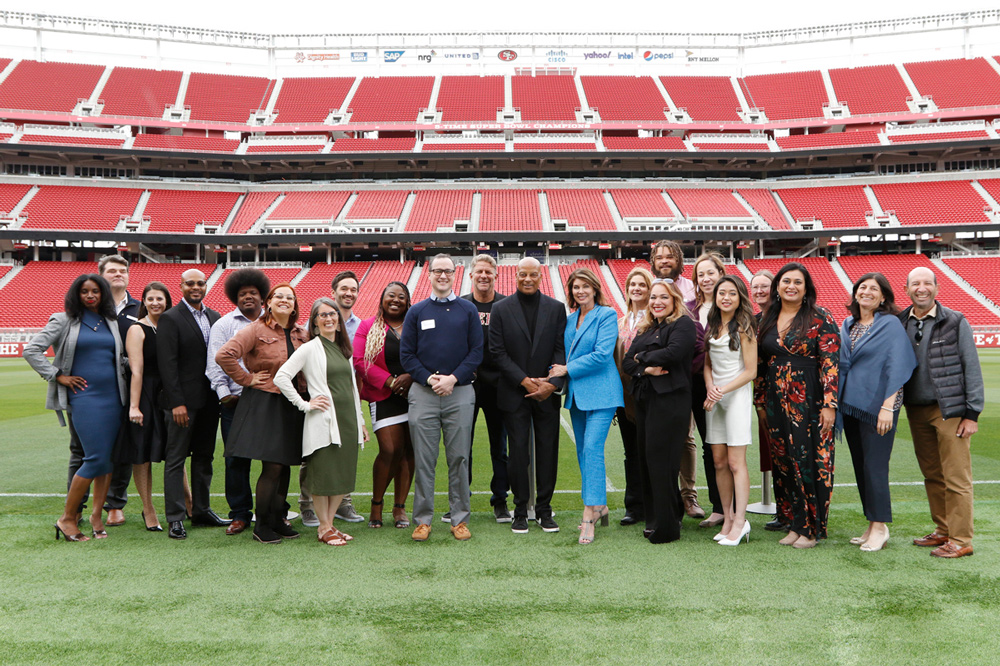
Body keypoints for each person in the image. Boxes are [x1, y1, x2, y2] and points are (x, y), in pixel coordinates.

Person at [24, 274, 127, 541]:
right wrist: (57, 375)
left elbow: (117, 358)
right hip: (85, 398)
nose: (90, 296)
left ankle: (96, 516)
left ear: (103, 294)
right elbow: (32, 350)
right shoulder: (63, 319)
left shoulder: (111, 321)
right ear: (76, 294)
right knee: (94, 458)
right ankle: (67, 518)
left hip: (114, 398)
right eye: (84, 291)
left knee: (107, 461)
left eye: (95, 291)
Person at [900, 267, 984, 559]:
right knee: (932, 474)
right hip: (916, 409)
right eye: (915, 284)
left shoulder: (955, 320)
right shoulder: (900, 321)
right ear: (907, 289)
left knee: (956, 476)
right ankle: (943, 530)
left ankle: (961, 540)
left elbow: (970, 365)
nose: (921, 288)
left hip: (949, 410)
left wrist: (972, 413)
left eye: (927, 283)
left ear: (936, 288)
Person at [217, 283, 309, 544]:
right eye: (278, 296)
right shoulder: (256, 329)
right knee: (273, 466)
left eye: (289, 297)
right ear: (268, 302)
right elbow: (224, 355)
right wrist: (246, 379)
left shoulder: (301, 333)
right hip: (266, 402)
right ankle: (262, 524)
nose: (284, 300)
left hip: (293, 402)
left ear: (294, 304)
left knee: (286, 463)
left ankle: (278, 518)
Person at [756, 262, 839, 549]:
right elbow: (760, 364)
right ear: (777, 286)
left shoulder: (820, 317)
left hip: (810, 398)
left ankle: (811, 529)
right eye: (786, 281)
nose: (791, 286)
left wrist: (830, 404)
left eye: (798, 282)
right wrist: (760, 402)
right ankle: (794, 522)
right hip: (775, 399)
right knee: (783, 460)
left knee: (808, 461)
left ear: (806, 289)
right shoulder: (767, 318)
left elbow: (830, 363)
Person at [400, 254, 483, 542]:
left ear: (455, 274)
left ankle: (459, 519)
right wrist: (429, 378)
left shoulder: (468, 310)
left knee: (459, 457)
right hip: (423, 393)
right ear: (430, 275)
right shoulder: (417, 312)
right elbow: (407, 355)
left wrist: (453, 378)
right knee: (424, 459)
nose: (443, 276)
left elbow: (476, 352)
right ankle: (423, 520)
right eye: (438, 271)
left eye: (448, 271)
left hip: (459, 392)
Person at [276, 298, 368, 546]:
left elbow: (352, 389)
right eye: (322, 315)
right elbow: (281, 377)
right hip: (324, 420)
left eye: (332, 314)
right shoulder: (309, 348)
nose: (328, 318)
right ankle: (324, 527)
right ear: (315, 323)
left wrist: (360, 421)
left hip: (347, 419)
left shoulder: (344, 350)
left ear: (339, 320)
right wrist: (305, 404)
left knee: (343, 474)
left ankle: (329, 525)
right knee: (322, 474)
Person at [838, 273, 916, 552]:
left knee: (875, 467)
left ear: (883, 297)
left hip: (880, 407)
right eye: (862, 287)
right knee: (861, 467)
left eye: (874, 289)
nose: (867, 292)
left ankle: (881, 527)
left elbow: (898, 366)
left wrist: (886, 407)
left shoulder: (890, 324)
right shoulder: (848, 323)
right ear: (855, 293)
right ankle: (871, 523)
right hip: (851, 405)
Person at [490, 257, 567, 535]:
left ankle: (544, 510)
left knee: (548, 451)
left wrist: (552, 383)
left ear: (540, 277)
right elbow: (497, 353)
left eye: (533, 275)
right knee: (518, 453)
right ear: (516, 276)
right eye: (522, 274)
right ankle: (520, 510)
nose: (527, 279)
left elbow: (561, 350)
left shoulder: (556, 309)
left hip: (547, 393)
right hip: (514, 393)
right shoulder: (500, 309)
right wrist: (525, 382)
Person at [548, 268, 622, 545]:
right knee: (583, 452)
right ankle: (600, 504)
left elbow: (603, 355)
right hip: (577, 395)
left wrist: (567, 368)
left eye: (585, 287)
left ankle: (588, 515)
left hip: (603, 393)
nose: (580, 291)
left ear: (594, 289)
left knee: (592, 448)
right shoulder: (569, 320)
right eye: (575, 287)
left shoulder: (607, 314)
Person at [64, 255, 138, 528]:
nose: (118, 274)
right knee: (81, 450)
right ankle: (76, 509)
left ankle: (114, 505)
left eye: (123, 271)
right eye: (112, 271)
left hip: (122, 391)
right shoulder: (82, 314)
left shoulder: (137, 308)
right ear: (100, 276)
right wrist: (58, 375)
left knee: (119, 450)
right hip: (86, 395)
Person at [621, 281, 696, 544]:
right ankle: (658, 518)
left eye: (663, 297)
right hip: (645, 400)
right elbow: (627, 362)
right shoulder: (647, 328)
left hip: (671, 401)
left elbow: (674, 353)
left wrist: (643, 358)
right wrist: (645, 367)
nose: (657, 302)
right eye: (653, 298)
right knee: (647, 460)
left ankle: (667, 527)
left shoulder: (684, 324)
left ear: (674, 299)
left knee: (663, 462)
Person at [157, 268, 228, 540]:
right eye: (190, 283)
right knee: (175, 459)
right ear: (181, 286)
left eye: (200, 283)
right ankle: (175, 517)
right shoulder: (170, 318)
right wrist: (177, 403)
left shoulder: (215, 317)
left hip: (210, 400)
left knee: (204, 457)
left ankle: (201, 510)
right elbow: (168, 364)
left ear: (206, 286)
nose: (195, 287)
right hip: (182, 404)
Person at [205, 268, 270, 536]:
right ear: (235, 297)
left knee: (272, 458)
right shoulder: (224, 324)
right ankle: (240, 514)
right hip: (236, 401)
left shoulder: (273, 322)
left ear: (262, 296)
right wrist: (225, 394)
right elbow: (214, 363)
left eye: (253, 293)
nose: (248, 297)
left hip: (269, 399)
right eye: (242, 294)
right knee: (235, 459)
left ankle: (273, 510)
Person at [301, 270, 364, 526]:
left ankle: (342, 507)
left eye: (353, 289)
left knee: (343, 456)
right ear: (333, 291)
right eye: (344, 288)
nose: (349, 293)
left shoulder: (359, 326)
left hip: (347, 400)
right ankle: (308, 506)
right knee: (318, 458)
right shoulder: (315, 328)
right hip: (321, 402)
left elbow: (353, 371)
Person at [353, 282, 415, 529]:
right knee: (390, 449)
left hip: (414, 394)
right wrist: (390, 381)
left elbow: (428, 354)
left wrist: (411, 376)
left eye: (401, 296)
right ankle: (376, 504)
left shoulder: (415, 325)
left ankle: (399, 508)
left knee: (409, 452)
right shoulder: (368, 326)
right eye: (391, 295)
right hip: (384, 395)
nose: (396, 300)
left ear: (407, 302)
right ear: (382, 299)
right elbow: (359, 361)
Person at [703, 276, 757, 546]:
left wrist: (722, 390)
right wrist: (711, 387)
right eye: (721, 293)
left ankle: (740, 521)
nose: (726, 297)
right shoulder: (712, 324)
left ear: (739, 298)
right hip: (715, 400)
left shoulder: (745, 326)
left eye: (731, 294)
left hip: (735, 398)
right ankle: (726, 517)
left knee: (736, 463)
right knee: (719, 462)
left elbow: (751, 371)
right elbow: (707, 365)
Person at [649, 240, 702, 520]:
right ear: (653, 260)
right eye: (660, 257)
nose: (665, 260)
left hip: (688, 372)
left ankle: (689, 496)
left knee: (687, 437)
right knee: (658, 439)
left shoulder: (691, 289)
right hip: (655, 376)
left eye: (670, 256)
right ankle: (662, 498)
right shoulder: (647, 286)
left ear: (678, 259)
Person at [461, 255, 510, 523]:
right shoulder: (461, 305)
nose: (483, 276)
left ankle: (500, 500)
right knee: (461, 446)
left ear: (495, 275)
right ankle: (460, 498)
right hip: (466, 384)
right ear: (471, 275)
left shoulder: (505, 305)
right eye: (479, 271)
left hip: (497, 385)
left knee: (499, 447)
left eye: (488, 272)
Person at [124, 282, 173, 532]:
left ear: (167, 301)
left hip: (169, 394)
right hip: (145, 395)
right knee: (143, 453)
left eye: (160, 298)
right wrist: (134, 406)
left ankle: (186, 502)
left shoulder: (169, 326)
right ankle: (148, 508)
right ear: (143, 301)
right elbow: (137, 370)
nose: (155, 303)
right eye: (150, 298)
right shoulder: (137, 329)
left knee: (174, 451)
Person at [689, 252, 727, 528]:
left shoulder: (732, 307)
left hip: (725, 385)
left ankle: (732, 508)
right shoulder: (689, 309)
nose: (705, 278)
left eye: (710, 272)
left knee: (727, 446)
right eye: (700, 274)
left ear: (720, 274)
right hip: (695, 385)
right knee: (708, 446)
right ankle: (718, 506)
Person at [615, 266, 653, 526]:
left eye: (642, 284)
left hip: (649, 394)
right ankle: (634, 505)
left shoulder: (655, 319)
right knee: (631, 452)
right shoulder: (620, 321)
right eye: (632, 285)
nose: (636, 289)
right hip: (624, 396)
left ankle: (655, 503)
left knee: (652, 451)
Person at [751, 269, 786, 533]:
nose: (760, 291)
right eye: (756, 287)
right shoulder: (753, 320)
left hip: (788, 393)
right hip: (763, 395)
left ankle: (794, 511)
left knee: (789, 453)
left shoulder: (782, 317)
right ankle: (784, 511)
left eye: (765, 286)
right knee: (775, 453)